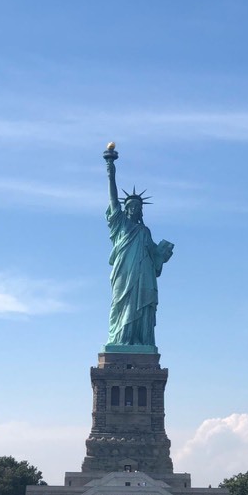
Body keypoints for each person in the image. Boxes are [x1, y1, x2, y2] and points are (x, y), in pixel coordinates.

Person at [103, 144, 173, 347]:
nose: (134, 209)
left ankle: (140, 341)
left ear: (141, 210)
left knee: (142, 308)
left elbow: (155, 259)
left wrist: (162, 254)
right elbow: (113, 199)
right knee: (120, 304)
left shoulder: (145, 231)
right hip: (124, 274)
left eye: (137, 207)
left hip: (143, 276)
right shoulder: (120, 225)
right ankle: (120, 339)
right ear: (125, 209)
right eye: (130, 206)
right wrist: (110, 170)